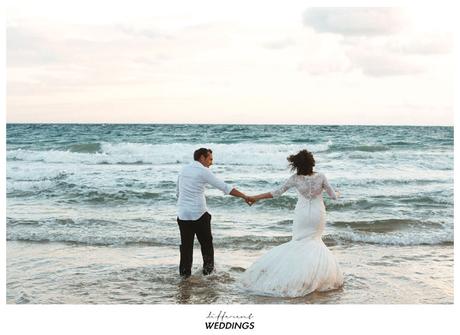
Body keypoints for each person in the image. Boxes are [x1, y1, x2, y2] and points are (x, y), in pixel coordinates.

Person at [240, 149, 343, 297]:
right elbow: (333, 196)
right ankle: (313, 278)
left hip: (301, 214)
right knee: (314, 242)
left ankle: (296, 278)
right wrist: (338, 192)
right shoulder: (321, 177)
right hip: (317, 214)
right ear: (312, 163)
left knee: (299, 242)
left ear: (297, 164)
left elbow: (275, 193)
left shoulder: (295, 179)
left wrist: (255, 197)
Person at [176, 148, 252, 278]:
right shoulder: (203, 171)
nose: (211, 162)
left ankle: (184, 276)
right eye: (210, 159)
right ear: (202, 158)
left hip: (182, 215)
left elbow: (178, 192)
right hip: (199, 214)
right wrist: (244, 196)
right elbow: (224, 187)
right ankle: (208, 275)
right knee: (207, 245)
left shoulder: (184, 169)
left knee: (186, 247)